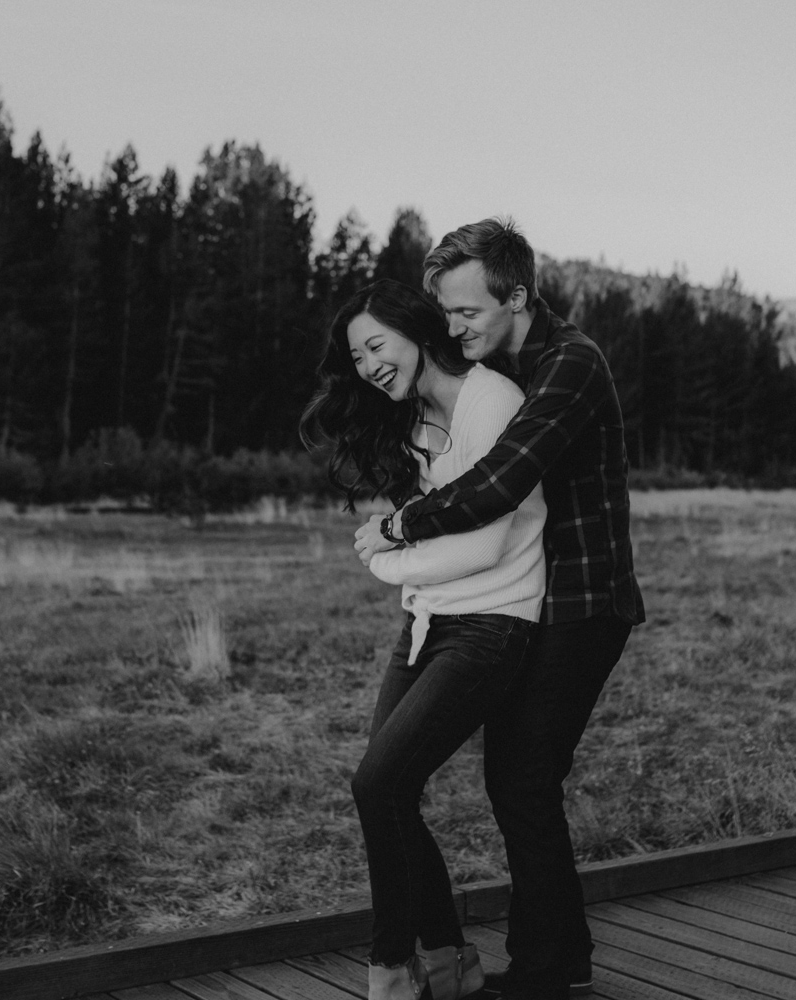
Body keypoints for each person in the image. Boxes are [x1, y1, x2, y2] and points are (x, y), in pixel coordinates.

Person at [355, 218, 644, 1000]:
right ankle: (553, 960)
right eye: (443, 315)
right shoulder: (505, 367)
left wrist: (397, 526)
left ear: (517, 296)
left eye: (467, 313)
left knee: (520, 777)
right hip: (530, 601)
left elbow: (500, 484)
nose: (453, 329)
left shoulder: (569, 364)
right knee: (517, 780)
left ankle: (550, 971)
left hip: (582, 604)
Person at [304, 279, 547, 1000]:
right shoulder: (412, 424)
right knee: (389, 793)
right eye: (357, 358)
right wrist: (404, 574)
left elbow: (485, 544)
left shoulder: (489, 400)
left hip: (492, 624)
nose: (369, 365)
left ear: (414, 329)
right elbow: (438, 532)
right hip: (425, 624)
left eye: (376, 345)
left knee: (378, 782)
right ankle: (447, 958)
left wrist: (387, 562)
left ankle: (389, 972)